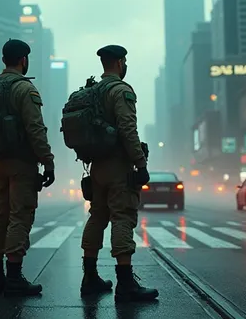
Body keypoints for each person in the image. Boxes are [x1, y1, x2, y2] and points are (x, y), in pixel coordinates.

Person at [0, 39, 56, 297]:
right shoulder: (24, 90)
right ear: (24, 60)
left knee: (0, 215)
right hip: (21, 164)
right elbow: (35, 129)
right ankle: (14, 277)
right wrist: (48, 160)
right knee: (20, 216)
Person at [79, 45, 158, 302]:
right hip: (118, 166)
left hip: (97, 166)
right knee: (123, 216)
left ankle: (89, 277)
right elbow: (127, 128)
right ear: (121, 62)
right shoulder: (121, 90)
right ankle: (125, 283)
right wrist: (140, 163)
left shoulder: (92, 91)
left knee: (97, 216)